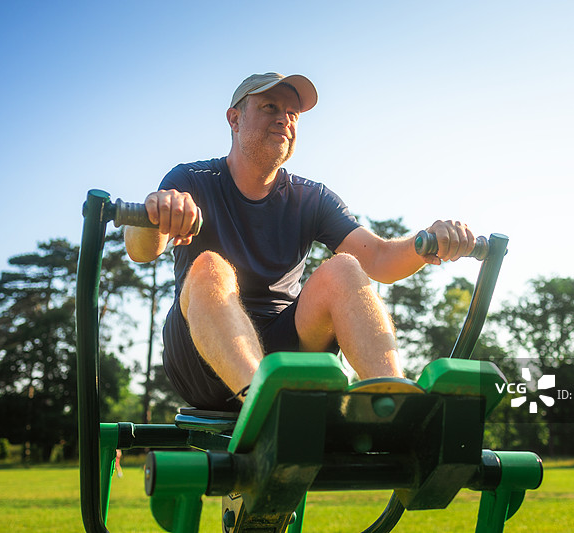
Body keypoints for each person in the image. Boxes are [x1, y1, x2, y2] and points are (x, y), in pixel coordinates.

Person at [124, 72, 475, 411]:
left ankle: (394, 408)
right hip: (203, 356)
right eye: (270, 108)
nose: (284, 120)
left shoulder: (311, 197)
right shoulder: (191, 179)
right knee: (209, 266)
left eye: (292, 114)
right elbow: (141, 251)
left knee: (345, 269)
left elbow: (380, 258)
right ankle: (264, 404)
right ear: (234, 119)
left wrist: (426, 242)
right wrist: (156, 214)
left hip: (286, 353)